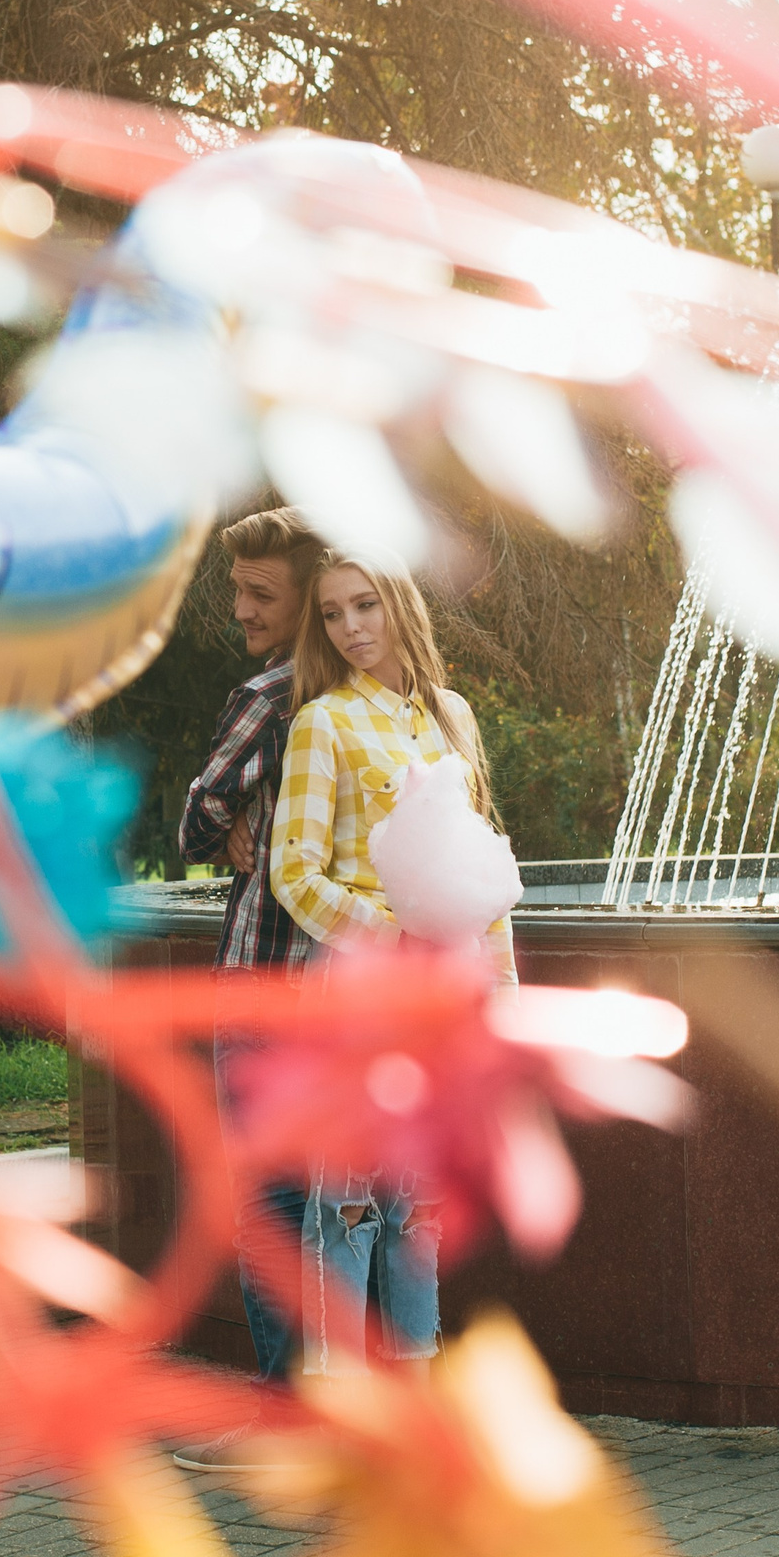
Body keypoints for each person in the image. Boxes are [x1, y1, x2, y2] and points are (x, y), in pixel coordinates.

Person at [268, 547, 515, 1377]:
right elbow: (294, 872)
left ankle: (415, 1390)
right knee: (343, 1199)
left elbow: (483, 866)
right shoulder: (324, 722)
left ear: (400, 605)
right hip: (354, 989)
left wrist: (498, 991)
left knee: (418, 1200)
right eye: (333, 614)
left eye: (364, 606)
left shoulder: (452, 718)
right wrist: (392, 929)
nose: (350, 629)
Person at [166, 509, 323, 1471]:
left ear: (307, 596)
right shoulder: (374, 696)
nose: (241, 610)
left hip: (264, 984)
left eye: (262, 594)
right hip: (345, 987)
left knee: (269, 1206)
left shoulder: (269, 698)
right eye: (237, 590)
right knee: (340, 1205)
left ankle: (281, 1414)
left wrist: (226, 833)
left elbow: (191, 822)